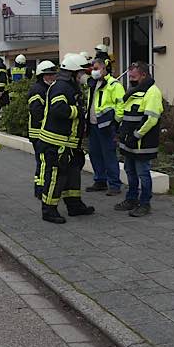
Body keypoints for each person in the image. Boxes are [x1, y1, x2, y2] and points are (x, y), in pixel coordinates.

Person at [38, 53, 95, 224]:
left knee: (72, 175)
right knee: (56, 176)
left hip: (68, 143)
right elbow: (58, 109)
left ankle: (74, 205)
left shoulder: (70, 86)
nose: (84, 75)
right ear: (73, 73)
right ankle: (48, 210)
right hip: (56, 143)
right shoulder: (61, 87)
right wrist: (79, 111)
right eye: (81, 72)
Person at [115, 61, 163, 217]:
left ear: (143, 75)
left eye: (134, 77)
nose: (131, 79)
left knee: (143, 173)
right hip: (130, 141)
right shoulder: (135, 90)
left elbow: (151, 119)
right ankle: (131, 199)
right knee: (130, 171)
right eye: (130, 76)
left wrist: (136, 135)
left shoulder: (152, 92)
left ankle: (145, 203)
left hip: (142, 142)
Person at [85, 58, 125, 195]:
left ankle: (114, 185)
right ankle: (100, 181)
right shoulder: (93, 83)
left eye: (96, 69)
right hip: (93, 125)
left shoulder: (114, 85)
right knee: (95, 154)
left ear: (104, 69)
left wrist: (115, 122)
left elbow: (121, 105)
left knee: (109, 155)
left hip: (106, 126)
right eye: (92, 69)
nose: (94, 71)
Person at [28, 60, 58, 199]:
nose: (53, 77)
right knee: (42, 162)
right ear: (42, 76)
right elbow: (36, 111)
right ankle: (39, 189)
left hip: (43, 132)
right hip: (38, 133)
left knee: (44, 162)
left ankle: (42, 187)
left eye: (53, 74)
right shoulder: (38, 90)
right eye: (49, 75)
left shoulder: (47, 88)